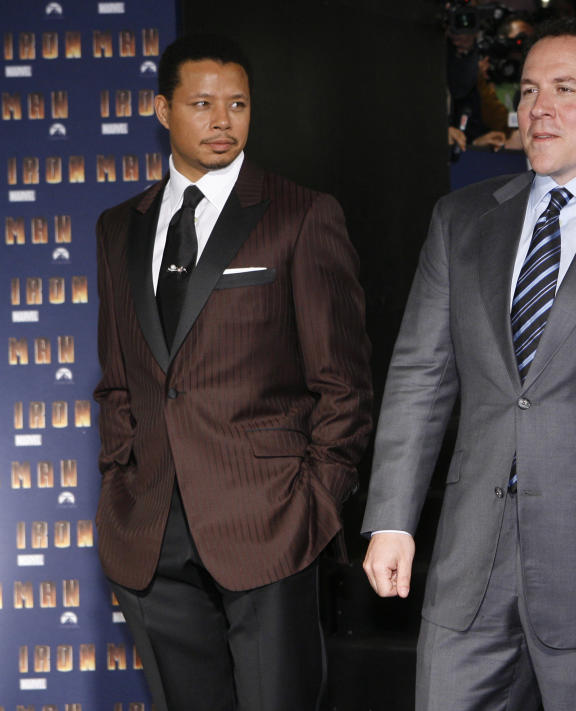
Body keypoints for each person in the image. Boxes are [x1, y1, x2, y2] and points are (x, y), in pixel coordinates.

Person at [361, 16, 576, 711]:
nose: (537, 107)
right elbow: (420, 376)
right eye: (526, 90)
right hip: (468, 565)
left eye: (563, 88)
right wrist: (392, 517)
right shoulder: (461, 220)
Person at [93, 34, 372, 711]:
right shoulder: (116, 228)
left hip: (270, 523)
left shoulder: (301, 215)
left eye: (239, 104)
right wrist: (122, 475)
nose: (223, 121)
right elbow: (119, 377)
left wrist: (316, 504)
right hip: (151, 530)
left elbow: (345, 384)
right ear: (162, 109)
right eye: (203, 104)